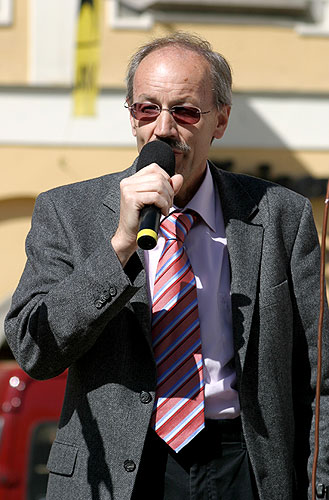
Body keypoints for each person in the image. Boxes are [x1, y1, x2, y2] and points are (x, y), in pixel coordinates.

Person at [5, 32, 329, 500]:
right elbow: (35, 350)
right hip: (122, 472)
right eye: (147, 109)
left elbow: (320, 378)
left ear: (220, 120)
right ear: (132, 118)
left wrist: (319, 483)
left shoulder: (282, 215)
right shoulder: (68, 211)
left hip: (243, 465)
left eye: (185, 111)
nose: (163, 128)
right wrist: (117, 248)